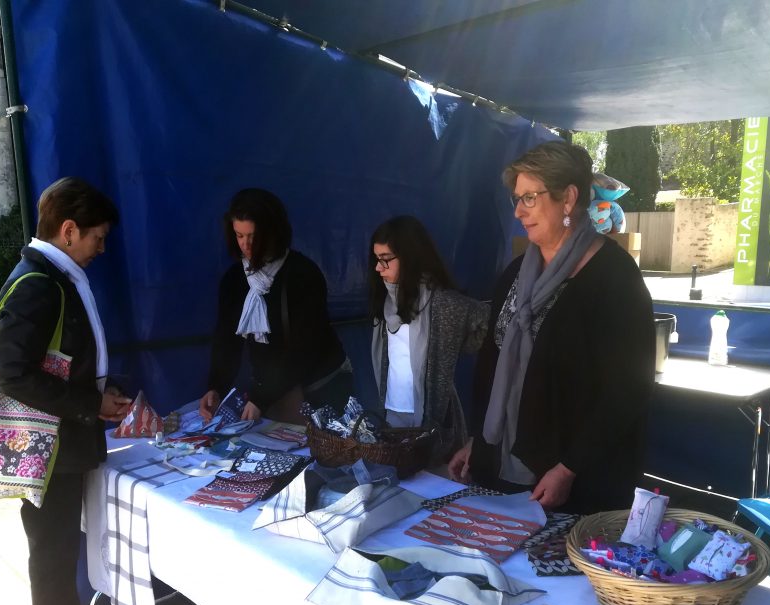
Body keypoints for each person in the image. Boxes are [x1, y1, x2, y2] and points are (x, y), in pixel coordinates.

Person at [448, 141, 655, 513]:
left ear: (568, 198)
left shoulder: (615, 278)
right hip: (502, 462)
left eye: (529, 198)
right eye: (517, 199)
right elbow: (492, 365)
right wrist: (478, 441)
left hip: (576, 478)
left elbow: (628, 389)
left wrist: (569, 467)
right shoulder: (515, 273)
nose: (518, 211)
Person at [0, 177, 132, 605]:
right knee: (52, 556)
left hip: (60, 440)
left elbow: (66, 358)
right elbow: (11, 373)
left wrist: (99, 395)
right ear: (69, 230)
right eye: (98, 238)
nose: (101, 248)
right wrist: (89, 404)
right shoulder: (39, 284)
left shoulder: (55, 276)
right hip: (47, 449)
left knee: (59, 548)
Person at [200, 189, 353, 424]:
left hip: (318, 385)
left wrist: (261, 398)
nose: (246, 245)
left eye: (254, 236)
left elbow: (306, 347)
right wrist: (216, 387)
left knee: (323, 444)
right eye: (239, 235)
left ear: (273, 232)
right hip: (273, 388)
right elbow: (227, 340)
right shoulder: (234, 279)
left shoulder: (303, 274)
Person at [369, 216, 488, 461]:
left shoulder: (444, 304)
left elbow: (490, 321)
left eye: (385, 259)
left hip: (432, 419)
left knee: (434, 477)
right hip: (391, 414)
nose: (378, 268)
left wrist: (457, 345)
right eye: (376, 259)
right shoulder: (385, 302)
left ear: (410, 257)